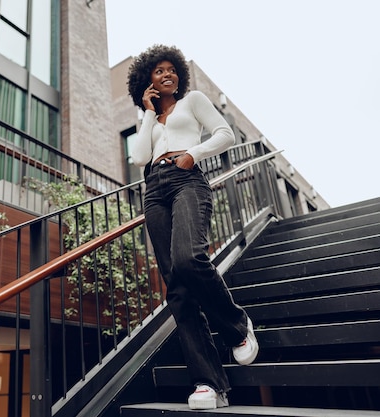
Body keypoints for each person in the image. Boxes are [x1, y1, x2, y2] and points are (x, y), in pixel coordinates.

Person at [127, 44, 259, 410]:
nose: (166, 74)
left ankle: (237, 325)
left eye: (171, 69)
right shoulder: (149, 117)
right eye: (158, 71)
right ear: (148, 80)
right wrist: (149, 114)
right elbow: (139, 157)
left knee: (189, 258)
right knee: (178, 290)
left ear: (179, 75)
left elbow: (225, 134)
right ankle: (209, 385)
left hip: (187, 179)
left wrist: (193, 155)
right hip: (154, 190)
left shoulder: (194, 100)